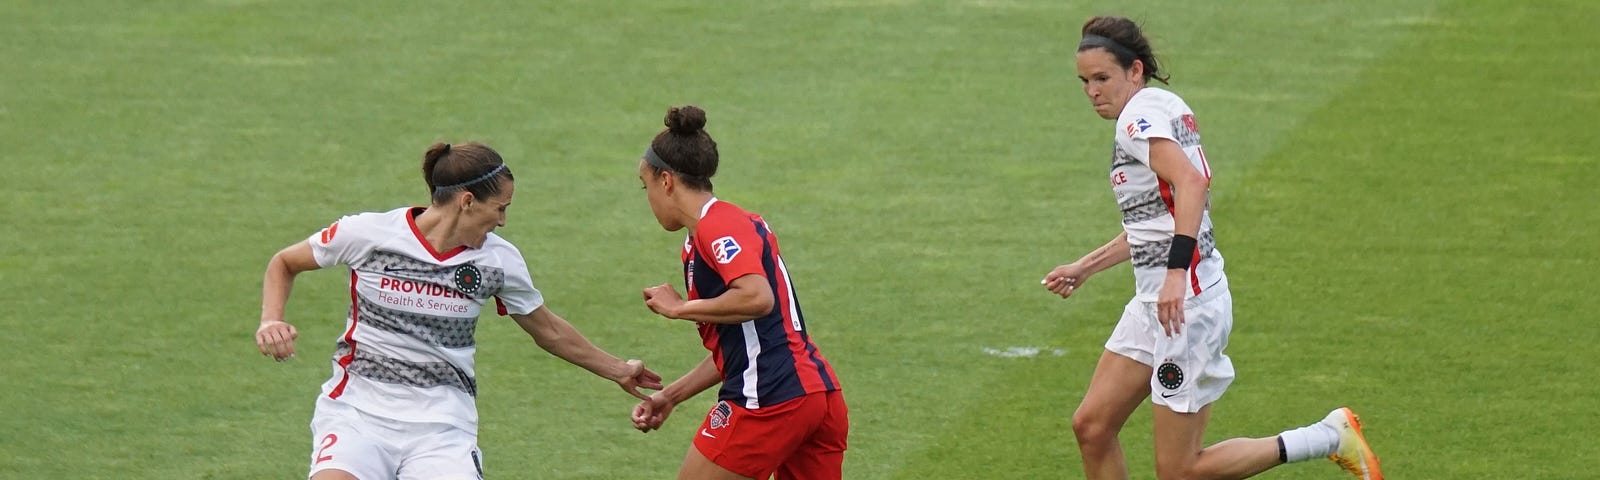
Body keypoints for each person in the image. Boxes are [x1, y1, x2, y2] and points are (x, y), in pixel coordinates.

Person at [1040, 16, 1383, 480]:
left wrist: (1176, 273)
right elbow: (1157, 222)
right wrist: (1087, 266)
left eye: (1102, 78)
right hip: (1157, 302)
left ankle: (1326, 436)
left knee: (1180, 471)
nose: (1092, 91)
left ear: (1135, 71)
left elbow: (1192, 183)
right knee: (1093, 426)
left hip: (1185, 307)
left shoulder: (1135, 120)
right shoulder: (1163, 106)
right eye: (1085, 82)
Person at [254, 141, 663, 480]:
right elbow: (284, 262)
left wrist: (618, 370)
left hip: (441, 427)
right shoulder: (369, 234)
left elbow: (548, 330)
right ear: (467, 201)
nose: (502, 221)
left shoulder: (498, 261)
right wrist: (271, 319)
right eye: (500, 208)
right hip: (356, 415)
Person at [627, 105, 849, 480]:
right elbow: (741, 345)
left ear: (666, 181)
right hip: (815, 396)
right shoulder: (710, 234)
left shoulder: (718, 225)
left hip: (770, 399)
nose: (647, 197)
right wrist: (672, 394)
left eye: (644, 185)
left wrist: (679, 308)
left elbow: (758, 298)